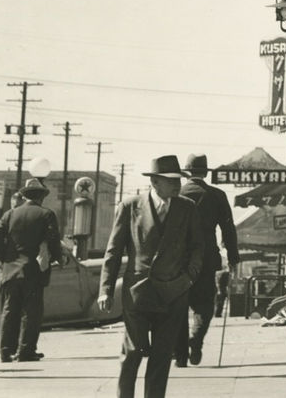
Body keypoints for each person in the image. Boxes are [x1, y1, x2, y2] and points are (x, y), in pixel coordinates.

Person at [97, 155, 204, 398]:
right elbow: (113, 251)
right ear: (154, 182)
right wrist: (105, 289)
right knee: (133, 352)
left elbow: (198, 246)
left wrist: (189, 277)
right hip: (138, 292)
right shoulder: (130, 206)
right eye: (170, 180)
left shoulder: (187, 207)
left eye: (178, 180)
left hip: (173, 292)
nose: (177, 185)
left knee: (162, 355)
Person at [174, 152, 239, 367]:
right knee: (204, 304)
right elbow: (228, 228)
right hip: (207, 257)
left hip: (178, 261)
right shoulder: (217, 195)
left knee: (179, 306)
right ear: (204, 172)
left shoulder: (177, 194)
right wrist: (233, 258)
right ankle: (196, 340)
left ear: (187, 173)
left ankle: (181, 355)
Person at [0, 178, 63, 363]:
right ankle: (26, 350)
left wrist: (6, 258)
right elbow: (53, 239)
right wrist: (57, 258)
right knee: (31, 312)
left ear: (24, 196)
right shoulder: (47, 215)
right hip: (33, 271)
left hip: (10, 271)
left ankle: (5, 351)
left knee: (9, 311)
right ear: (41, 197)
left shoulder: (10, 214)